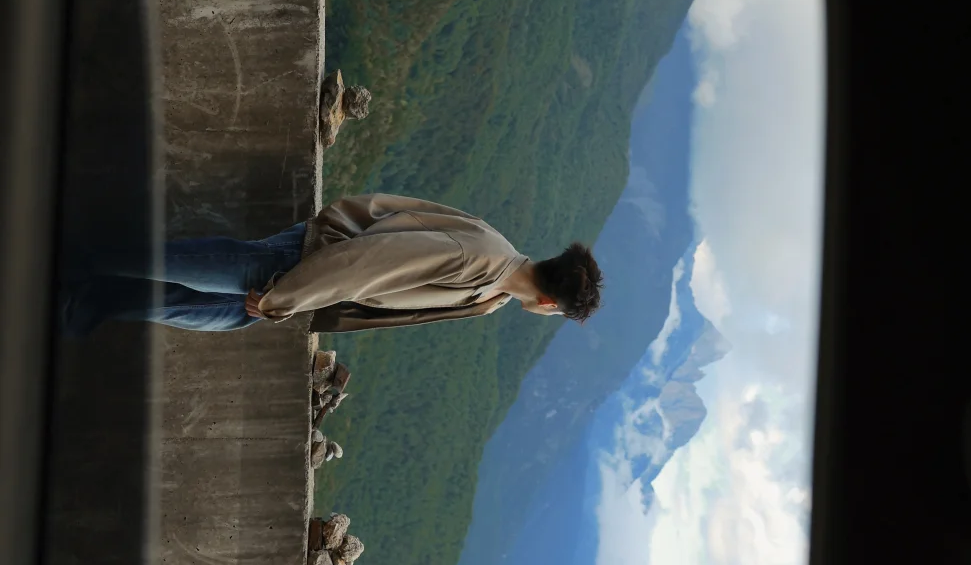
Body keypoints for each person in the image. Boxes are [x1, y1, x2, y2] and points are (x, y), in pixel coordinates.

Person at [61, 193, 603, 335]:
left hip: (306, 284)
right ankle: (75, 259)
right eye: (557, 315)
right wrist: (283, 299)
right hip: (302, 265)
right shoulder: (481, 258)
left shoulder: (491, 293)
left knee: (193, 307)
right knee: (176, 268)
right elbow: (369, 262)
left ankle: (91, 300)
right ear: (548, 302)